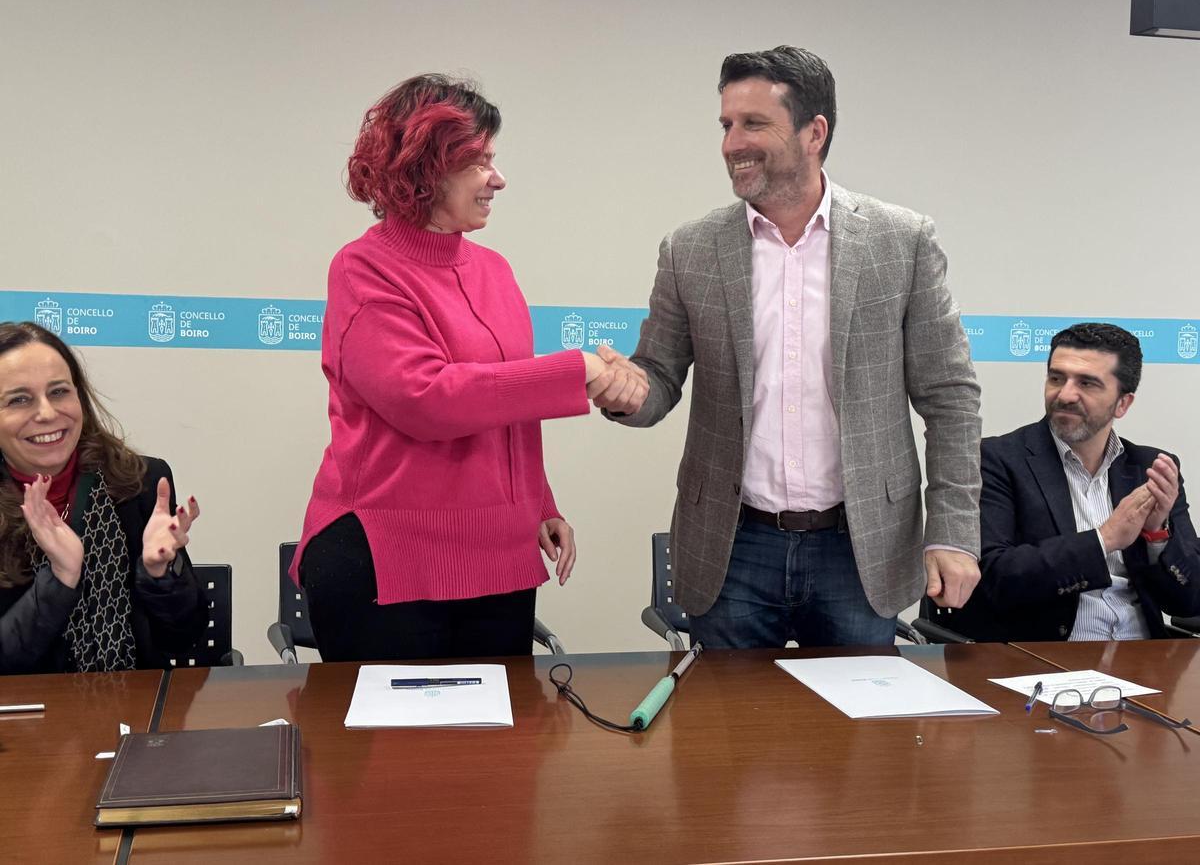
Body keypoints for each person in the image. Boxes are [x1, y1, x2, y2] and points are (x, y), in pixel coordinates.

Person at [591, 46, 982, 648]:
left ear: (813, 133)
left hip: (860, 545)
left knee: (858, 737)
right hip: (735, 544)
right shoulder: (690, 249)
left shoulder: (900, 241)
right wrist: (627, 392)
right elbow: (658, 376)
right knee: (730, 736)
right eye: (726, 125)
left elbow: (950, 396)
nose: (731, 143)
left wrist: (952, 532)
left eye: (753, 124)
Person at [293, 74, 609, 661]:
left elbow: (506, 408)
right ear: (423, 169)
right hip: (389, 559)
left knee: (497, 755)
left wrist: (537, 505)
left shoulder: (495, 270)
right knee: (396, 754)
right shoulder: (362, 269)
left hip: (498, 555)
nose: (499, 178)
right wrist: (577, 371)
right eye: (479, 161)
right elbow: (427, 400)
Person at [933, 323, 1200, 642]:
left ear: (1123, 403)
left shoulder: (1149, 468)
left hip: (1143, 660)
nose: (1065, 394)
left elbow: (1188, 600)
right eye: (1057, 378)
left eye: (1087, 384)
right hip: (1044, 660)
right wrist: (1105, 539)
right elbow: (994, 578)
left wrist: (1158, 537)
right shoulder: (996, 460)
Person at [0, 322, 206, 674]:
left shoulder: (137, 482)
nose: (48, 413)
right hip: (23, 722)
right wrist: (60, 579)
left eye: (60, 392)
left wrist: (159, 574)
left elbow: (184, 637)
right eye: (19, 399)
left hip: (133, 713)